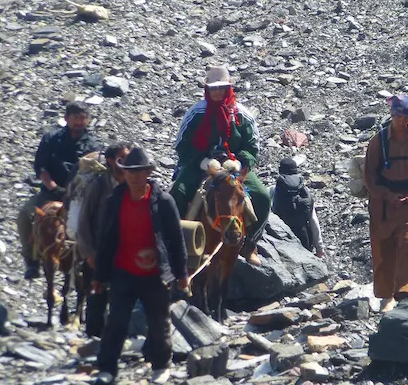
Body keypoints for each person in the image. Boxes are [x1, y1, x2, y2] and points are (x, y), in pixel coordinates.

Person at [93, 147, 188, 385]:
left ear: (148, 173)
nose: (134, 177)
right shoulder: (115, 200)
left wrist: (181, 274)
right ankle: (107, 369)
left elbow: (176, 239)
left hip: (154, 274)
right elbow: (106, 240)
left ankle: (161, 365)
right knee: (116, 321)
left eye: (140, 172)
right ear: (123, 173)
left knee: (159, 321)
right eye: (130, 172)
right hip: (122, 272)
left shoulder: (163, 201)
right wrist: (99, 276)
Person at [170, 65, 270, 266]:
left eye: (221, 87)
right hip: (199, 165)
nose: (216, 91)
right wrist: (202, 161)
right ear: (207, 89)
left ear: (228, 88)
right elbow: (182, 145)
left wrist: (239, 162)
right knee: (176, 194)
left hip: (233, 168)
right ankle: (176, 245)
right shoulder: (196, 113)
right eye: (213, 88)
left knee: (262, 196)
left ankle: (249, 244)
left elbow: (253, 146)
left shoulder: (242, 115)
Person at [363, 95, 408, 312]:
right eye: (396, 115)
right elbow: (370, 177)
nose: (399, 120)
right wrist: (386, 195)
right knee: (383, 250)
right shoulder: (378, 142)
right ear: (391, 115)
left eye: (403, 115)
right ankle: (386, 297)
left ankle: (406, 295)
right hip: (384, 206)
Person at [16, 102, 100, 280]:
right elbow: (41, 167)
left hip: (78, 195)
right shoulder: (51, 139)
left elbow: (93, 172)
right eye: (75, 118)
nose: (79, 122)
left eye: (82, 118)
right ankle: (31, 261)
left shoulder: (92, 145)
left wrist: (72, 191)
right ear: (66, 118)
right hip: (50, 192)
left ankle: (92, 263)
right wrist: (53, 187)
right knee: (25, 215)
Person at [75, 142, 130, 337]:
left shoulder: (133, 185)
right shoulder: (98, 186)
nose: (126, 165)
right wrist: (89, 254)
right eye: (121, 159)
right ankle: (93, 340)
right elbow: (83, 222)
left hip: (124, 255)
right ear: (110, 161)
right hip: (98, 253)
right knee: (97, 300)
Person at [268, 158, 325, 257]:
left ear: (280, 171)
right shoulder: (304, 192)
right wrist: (319, 248)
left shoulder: (273, 191)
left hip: (280, 239)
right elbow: (313, 221)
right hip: (303, 238)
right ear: (296, 171)